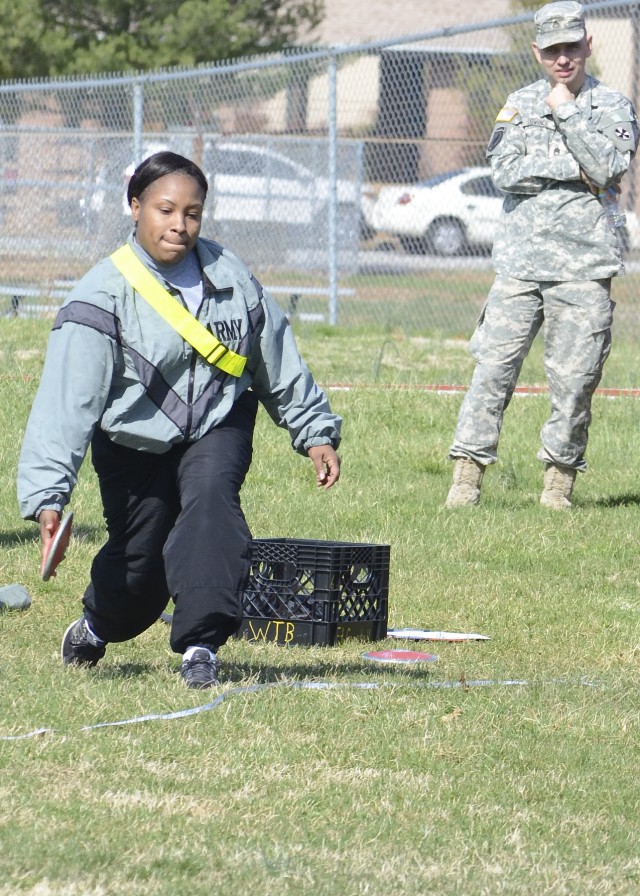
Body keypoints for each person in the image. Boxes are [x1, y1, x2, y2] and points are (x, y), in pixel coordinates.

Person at [17, 151, 342, 689]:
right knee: (141, 565)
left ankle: (200, 645)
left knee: (213, 503)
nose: (179, 225)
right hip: (132, 439)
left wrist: (314, 431)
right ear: (135, 206)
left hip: (218, 419)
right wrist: (48, 494)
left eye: (192, 213)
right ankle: (98, 626)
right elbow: (64, 405)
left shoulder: (230, 275)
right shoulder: (100, 296)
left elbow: (274, 356)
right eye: (165, 210)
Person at [445, 1, 637, 509]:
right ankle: (465, 480)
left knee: (575, 383)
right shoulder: (517, 102)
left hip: (584, 268)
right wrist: (574, 168)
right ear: (537, 52)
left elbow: (609, 167)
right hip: (519, 266)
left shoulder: (612, 105)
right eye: (553, 50)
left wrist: (566, 112)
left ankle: (558, 485)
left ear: (587, 45)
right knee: (491, 372)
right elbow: (504, 172)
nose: (563, 59)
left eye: (572, 47)